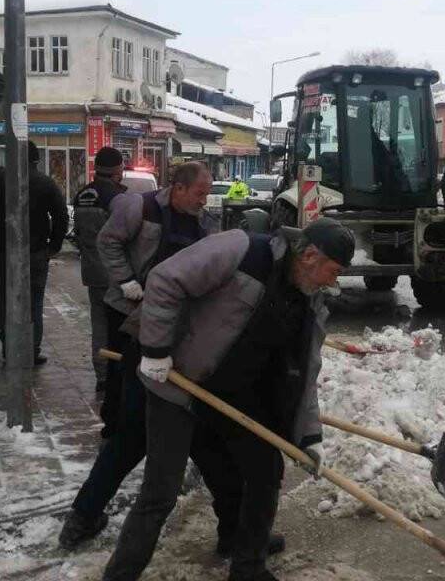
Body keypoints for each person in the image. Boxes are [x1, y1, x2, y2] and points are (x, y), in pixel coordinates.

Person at [99, 217, 355, 581]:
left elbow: (304, 373)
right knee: (161, 492)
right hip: (178, 382)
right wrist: (156, 349)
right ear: (310, 255)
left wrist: (308, 435)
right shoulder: (243, 251)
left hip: (234, 393)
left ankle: (246, 564)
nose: (334, 282)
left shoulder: (310, 303)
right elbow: (165, 278)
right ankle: (119, 575)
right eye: (333, 270)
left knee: (264, 469)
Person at [59, 162, 284, 559]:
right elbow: (108, 244)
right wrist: (126, 281)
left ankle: (234, 530)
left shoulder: (206, 226)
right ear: (178, 188)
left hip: (176, 346)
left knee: (205, 443)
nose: (204, 199)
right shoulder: (139, 208)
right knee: (132, 438)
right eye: (199, 192)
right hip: (141, 335)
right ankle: (83, 516)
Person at [0, 142, 68, 365]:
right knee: (34, 300)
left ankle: (8, 348)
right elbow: (61, 216)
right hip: (36, 251)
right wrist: (54, 246)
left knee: (5, 297)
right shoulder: (46, 183)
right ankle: (31, 349)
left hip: (2, 250)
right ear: (35, 160)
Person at [71, 147, 129, 402]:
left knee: (98, 324)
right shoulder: (118, 197)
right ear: (117, 170)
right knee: (120, 325)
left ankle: (102, 376)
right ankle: (119, 373)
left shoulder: (82, 195)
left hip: (92, 271)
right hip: (117, 273)